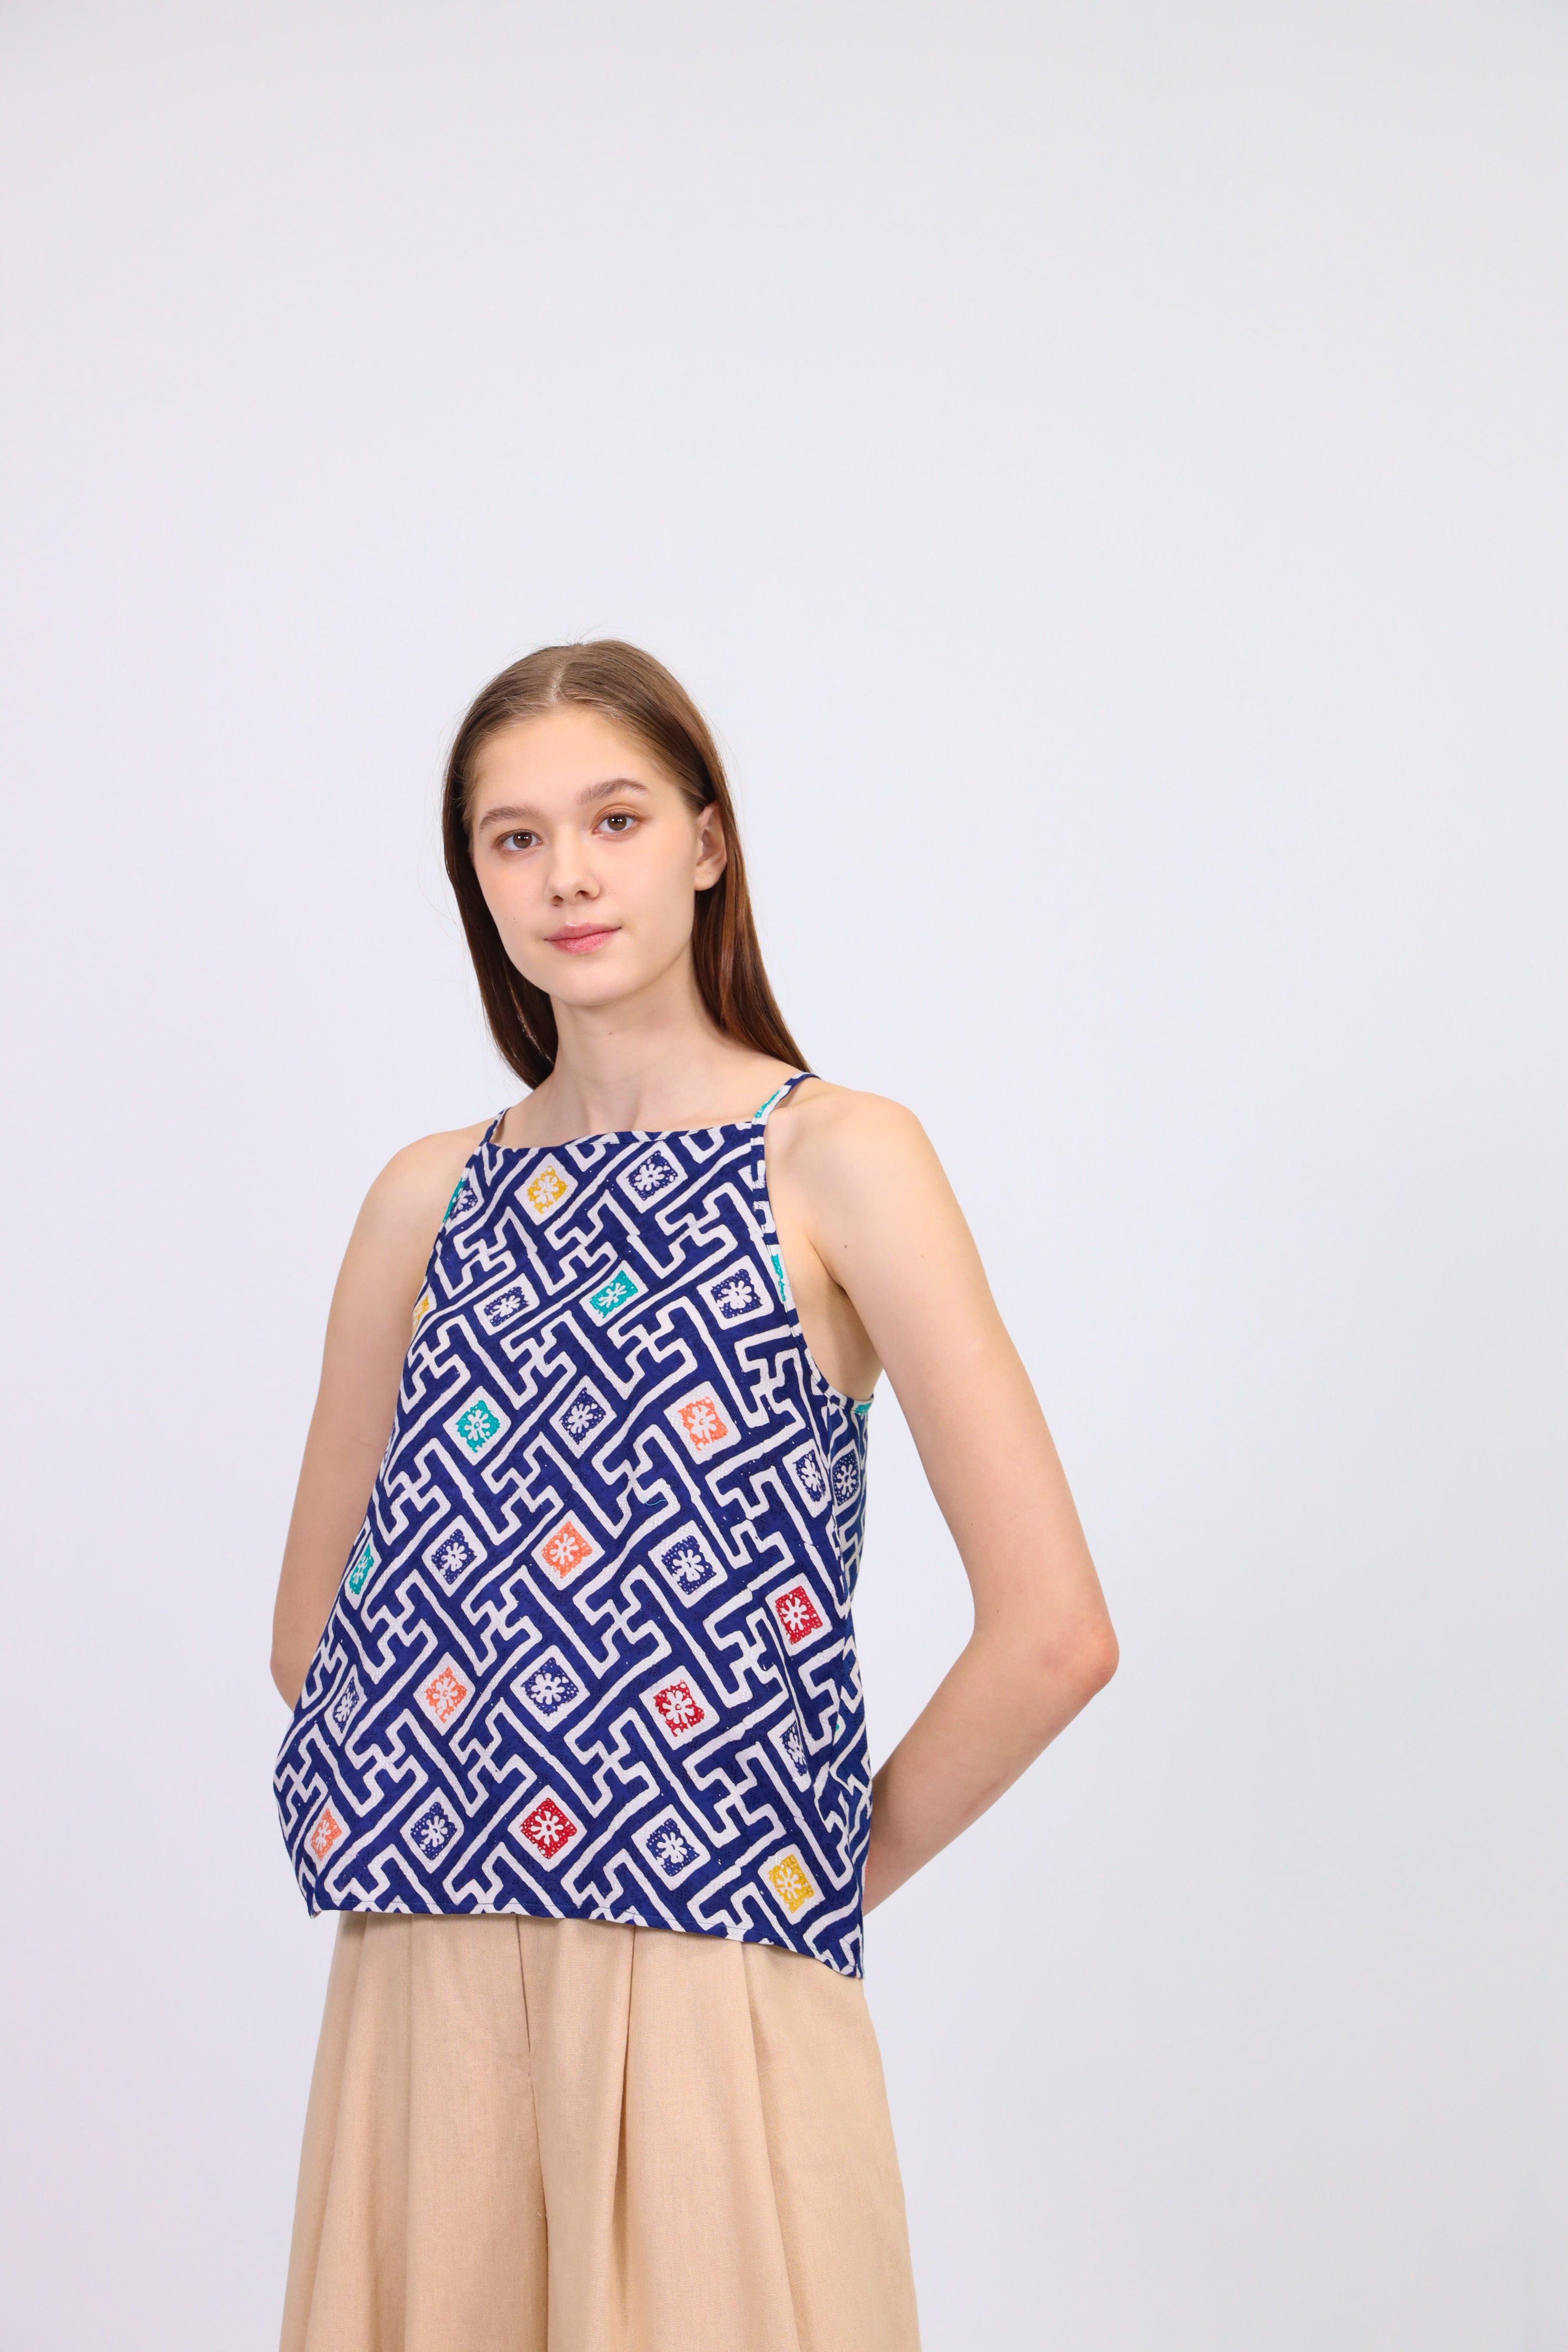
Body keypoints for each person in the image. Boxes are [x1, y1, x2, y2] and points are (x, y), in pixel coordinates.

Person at [269, 639, 1118, 2352]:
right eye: (514, 839)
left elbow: (1055, 1634)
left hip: (709, 1962)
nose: (568, 876)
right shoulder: (424, 1200)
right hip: (428, 1973)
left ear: (708, 842)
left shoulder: (839, 1159)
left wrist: (802, 1864)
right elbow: (316, 1641)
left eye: (617, 819)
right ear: (473, 877)